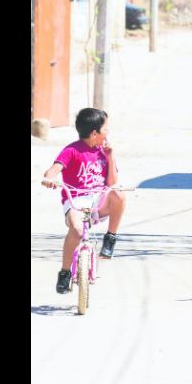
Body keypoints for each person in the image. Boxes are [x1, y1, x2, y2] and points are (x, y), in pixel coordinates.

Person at [41, 108, 127, 294]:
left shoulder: (104, 151)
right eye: (106, 129)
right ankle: (65, 272)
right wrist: (49, 179)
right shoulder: (72, 150)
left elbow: (112, 183)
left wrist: (110, 156)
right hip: (75, 200)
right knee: (77, 231)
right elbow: (53, 170)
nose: (108, 133)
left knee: (119, 194)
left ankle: (110, 238)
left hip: (99, 199)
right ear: (94, 133)